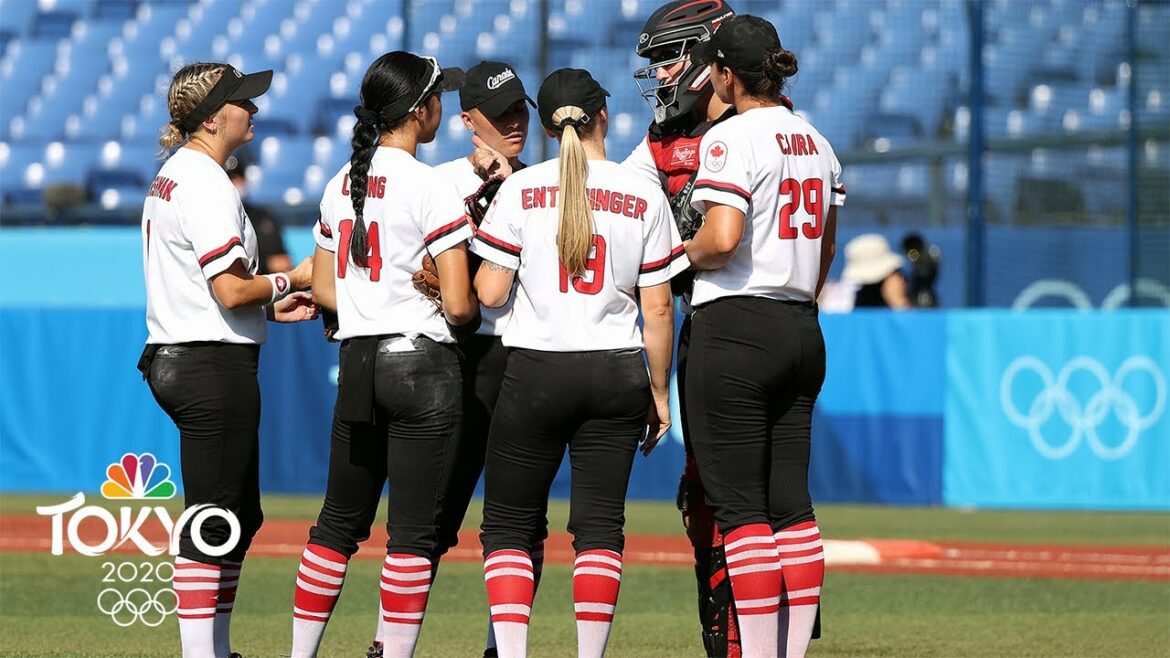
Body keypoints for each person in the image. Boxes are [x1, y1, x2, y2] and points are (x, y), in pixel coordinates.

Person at [472, 68, 688, 658]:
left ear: (546, 128)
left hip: (535, 371)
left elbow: (490, 293)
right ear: (603, 118)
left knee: (509, 526)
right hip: (616, 371)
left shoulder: (521, 188)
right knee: (599, 529)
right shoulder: (642, 192)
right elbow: (658, 307)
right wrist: (659, 393)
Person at [287, 51, 477, 658]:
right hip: (422, 366)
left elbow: (323, 290)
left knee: (336, 525)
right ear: (420, 111)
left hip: (359, 363)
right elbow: (461, 306)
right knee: (413, 536)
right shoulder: (430, 184)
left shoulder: (338, 182)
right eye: (437, 96)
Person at [139, 61, 317, 658]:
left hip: (190, 352)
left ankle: (217, 648)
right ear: (213, 118)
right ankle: (203, 653)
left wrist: (270, 306)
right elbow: (232, 289)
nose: (254, 108)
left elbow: (218, 292)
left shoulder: (177, 174)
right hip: (207, 363)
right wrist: (290, 280)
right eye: (243, 100)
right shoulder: (206, 181)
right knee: (214, 517)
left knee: (238, 513)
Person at [685, 15, 845, 658]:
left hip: (736, 328)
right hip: (801, 324)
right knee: (792, 508)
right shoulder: (817, 140)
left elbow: (722, 239)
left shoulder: (730, 136)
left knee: (742, 511)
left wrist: (677, 254)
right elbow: (825, 249)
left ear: (727, 75)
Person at [624, 1, 745, 654]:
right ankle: (721, 626)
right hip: (705, 323)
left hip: (749, 318)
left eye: (669, 57)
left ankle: (759, 631)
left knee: (759, 496)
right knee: (704, 493)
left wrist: (674, 248)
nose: (661, 74)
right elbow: (615, 200)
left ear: (707, 52)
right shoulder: (661, 138)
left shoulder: (759, 127)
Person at [426, 60, 549, 658]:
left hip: (526, 356)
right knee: (433, 515)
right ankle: (391, 641)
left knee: (523, 518)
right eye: (499, 114)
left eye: (519, 109)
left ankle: (502, 647)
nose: (514, 122)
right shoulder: (441, 183)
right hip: (461, 358)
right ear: (468, 121)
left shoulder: (546, 184)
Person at [225, 157, 293, 274]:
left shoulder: (265, 217)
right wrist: (267, 264)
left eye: (238, 178)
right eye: (230, 179)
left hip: (269, 281)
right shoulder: (217, 220)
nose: (235, 183)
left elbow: (281, 257)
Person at [841, 233, 912, 309]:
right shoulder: (864, 304)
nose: (901, 279)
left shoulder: (859, 302)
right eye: (896, 272)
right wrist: (899, 302)